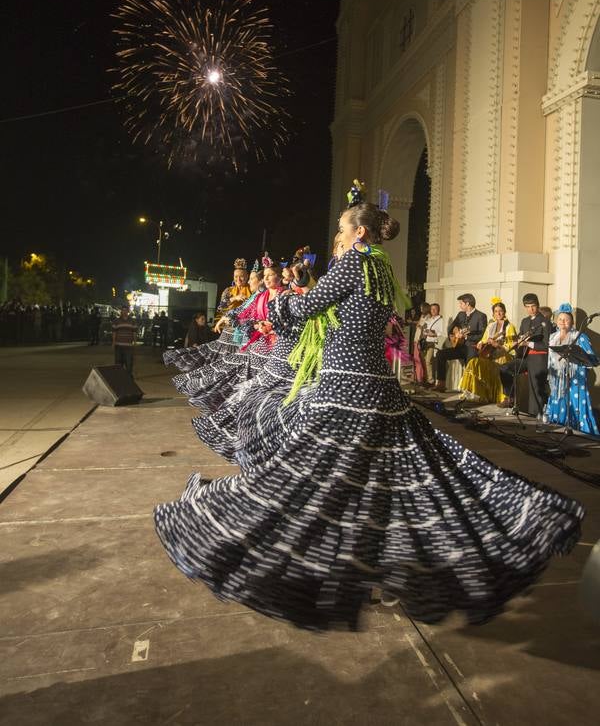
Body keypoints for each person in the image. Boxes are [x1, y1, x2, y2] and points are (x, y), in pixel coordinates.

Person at [155, 192, 583, 632]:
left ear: (359, 232)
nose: (338, 235)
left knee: (305, 479)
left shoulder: (353, 261)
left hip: (344, 386)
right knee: (404, 477)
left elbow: (303, 309)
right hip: (381, 387)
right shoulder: (381, 266)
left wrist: (276, 302)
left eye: (342, 228)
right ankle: (401, 566)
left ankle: (237, 539)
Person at [545, 303, 599, 435]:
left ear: (572, 322)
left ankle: (581, 430)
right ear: (556, 321)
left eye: (566, 319)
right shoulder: (552, 337)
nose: (563, 322)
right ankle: (560, 426)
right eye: (560, 319)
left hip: (575, 377)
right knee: (560, 400)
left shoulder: (580, 337)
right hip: (557, 377)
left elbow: (591, 358)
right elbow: (550, 359)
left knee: (576, 402)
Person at [499, 293, 550, 416]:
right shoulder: (525, 321)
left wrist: (529, 344)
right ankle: (510, 397)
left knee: (535, 387)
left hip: (538, 357)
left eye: (533, 306)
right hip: (524, 357)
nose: (530, 309)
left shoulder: (545, 322)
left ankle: (536, 414)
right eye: (527, 306)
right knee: (504, 369)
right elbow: (521, 338)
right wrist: (518, 343)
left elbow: (547, 345)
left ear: (538, 305)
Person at [459, 298, 517, 403]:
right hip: (489, 355)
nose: (498, 313)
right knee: (473, 363)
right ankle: (475, 393)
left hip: (503, 357)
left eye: (500, 311)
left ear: (504, 312)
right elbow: (483, 340)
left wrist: (498, 345)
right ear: (493, 314)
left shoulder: (509, 327)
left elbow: (512, 345)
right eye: (496, 311)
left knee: (493, 364)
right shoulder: (491, 326)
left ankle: (500, 396)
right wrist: (480, 344)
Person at [434, 294, 487, 391]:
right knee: (440, 354)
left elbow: (482, 335)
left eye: (461, 303)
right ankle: (441, 384)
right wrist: (455, 335)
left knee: (470, 361)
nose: (460, 306)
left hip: (472, 347)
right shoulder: (460, 315)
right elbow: (450, 328)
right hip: (460, 347)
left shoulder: (481, 316)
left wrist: (466, 336)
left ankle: (470, 389)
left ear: (467, 304)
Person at [420, 302, 443, 386]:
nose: (433, 310)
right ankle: (429, 379)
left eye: (435, 309)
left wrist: (434, 334)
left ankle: (431, 381)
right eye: (432, 309)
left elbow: (441, 333)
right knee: (427, 361)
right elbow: (425, 329)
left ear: (438, 310)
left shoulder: (440, 320)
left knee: (428, 361)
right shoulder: (430, 319)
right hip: (427, 342)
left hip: (433, 343)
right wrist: (425, 332)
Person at [112, 306, 136, 376]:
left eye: (125, 310)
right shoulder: (116, 321)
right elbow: (114, 332)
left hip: (128, 346)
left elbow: (134, 332)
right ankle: (119, 377)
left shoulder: (132, 321)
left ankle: (128, 377)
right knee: (118, 363)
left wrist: (134, 341)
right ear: (121, 311)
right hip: (118, 345)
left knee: (129, 363)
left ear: (128, 311)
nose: (124, 312)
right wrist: (113, 342)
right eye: (123, 310)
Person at [413, 302, 431, 385]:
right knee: (416, 359)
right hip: (416, 339)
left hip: (421, 340)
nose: (421, 310)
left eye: (422, 308)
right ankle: (417, 377)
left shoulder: (428, 317)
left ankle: (421, 378)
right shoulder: (422, 316)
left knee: (420, 359)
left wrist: (419, 326)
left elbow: (425, 328)